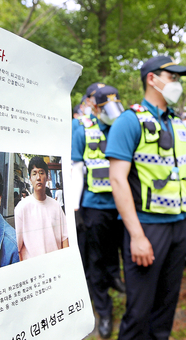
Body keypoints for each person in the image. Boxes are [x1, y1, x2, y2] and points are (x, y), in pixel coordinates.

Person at [106, 55, 186, 340]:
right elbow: (117, 179)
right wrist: (136, 236)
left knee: (166, 306)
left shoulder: (179, 124)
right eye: (172, 76)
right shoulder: (130, 121)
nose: (177, 83)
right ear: (153, 78)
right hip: (147, 227)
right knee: (139, 310)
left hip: (179, 226)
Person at [71, 85, 126, 338]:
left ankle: (115, 284)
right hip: (94, 206)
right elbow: (76, 168)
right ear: (94, 105)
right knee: (94, 260)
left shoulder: (123, 126)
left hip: (123, 205)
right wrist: (75, 205)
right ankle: (103, 311)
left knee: (117, 253)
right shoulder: (81, 128)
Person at [15, 157, 69, 260]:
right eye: (34, 173)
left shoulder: (56, 206)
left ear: (47, 176)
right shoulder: (21, 208)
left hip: (56, 266)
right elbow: (18, 248)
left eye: (41, 172)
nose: (38, 177)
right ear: (30, 178)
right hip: (35, 271)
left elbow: (64, 239)